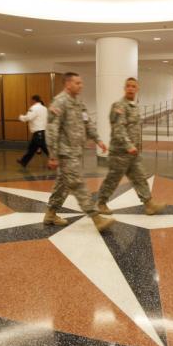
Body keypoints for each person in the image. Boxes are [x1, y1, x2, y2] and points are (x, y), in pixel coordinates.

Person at [45, 72, 114, 232]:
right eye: (77, 83)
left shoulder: (79, 102)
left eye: (81, 83)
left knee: (63, 184)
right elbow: (52, 130)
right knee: (77, 183)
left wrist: (98, 140)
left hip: (75, 151)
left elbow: (87, 122)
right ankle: (96, 217)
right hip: (65, 152)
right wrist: (53, 155)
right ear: (67, 84)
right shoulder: (59, 102)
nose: (80, 86)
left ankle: (50, 213)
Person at [96, 78, 166, 216]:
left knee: (140, 177)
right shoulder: (119, 106)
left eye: (133, 86)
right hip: (120, 153)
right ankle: (101, 203)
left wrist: (136, 147)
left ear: (137, 89)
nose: (130, 88)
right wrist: (128, 145)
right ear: (124, 88)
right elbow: (118, 128)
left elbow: (134, 129)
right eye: (128, 86)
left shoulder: (134, 107)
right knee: (113, 179)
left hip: (133, 153)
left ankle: (149, 204)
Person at [17, 95, 49, 167]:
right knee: (31, 149)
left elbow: (28, 118)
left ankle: (57, 162)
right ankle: (23, 161)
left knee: (47, 149)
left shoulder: (34, 108)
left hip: (38, 133)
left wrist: (21, 117)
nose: (30, 102)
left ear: (33, 100)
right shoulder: (44, 108)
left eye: (31, 100)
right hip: (43, 132)